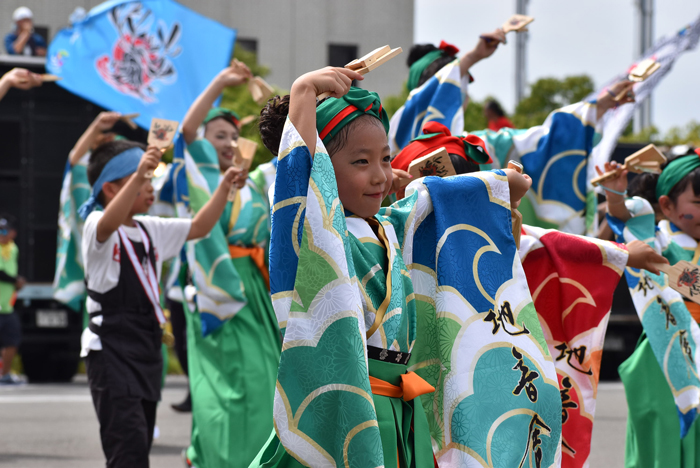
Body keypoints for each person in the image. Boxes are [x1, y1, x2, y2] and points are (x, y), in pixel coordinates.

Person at [250, 65, 575, 467]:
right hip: (344, 412)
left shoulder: (392, 226)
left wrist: (500, 186)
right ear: (319, 170)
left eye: (385, 159)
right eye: (361, 162)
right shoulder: (317, 236)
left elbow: (434, 197)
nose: (379, 176)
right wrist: (302, 91)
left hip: (400, 412)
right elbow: (297, 186)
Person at [391, 122, 667, 465]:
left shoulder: (500, 234)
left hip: (491, 384)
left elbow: (560, 246)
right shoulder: (391, 241)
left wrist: (623, 254)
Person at [79, 139, 242, 468]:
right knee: (128, 446)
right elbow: (109, 222)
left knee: (140, 441)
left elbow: (199, 227)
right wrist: (140, 170)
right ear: (111, 189)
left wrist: (224, 187)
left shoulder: (149, 228)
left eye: (150, 178)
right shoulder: (97, 226)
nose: (150, 185)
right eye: (141, 180)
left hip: (147, 345)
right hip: (111, 346)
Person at [174, 60, 281, 468]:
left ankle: (251, 458)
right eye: (219, 135)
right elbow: (186, 132)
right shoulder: (199, 177)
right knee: (224, 389)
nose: (228, 142)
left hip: (254, 291)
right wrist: (220, 79)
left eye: (234, 135)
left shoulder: (255, 184)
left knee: (262, 384)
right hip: (216, 290)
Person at [600, 149, 700, 468]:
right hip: (666, 349)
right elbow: (628, 219)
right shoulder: (658, 237)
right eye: (698, 204)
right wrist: (616, 193)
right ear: (668, 205)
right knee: (664, 436)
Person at [389, 30, 505, 155]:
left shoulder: (473, 146)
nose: (464, 96)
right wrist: (472, 56)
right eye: (451, 89)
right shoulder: (401, 121)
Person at [0, 215, 25, 385]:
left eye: (3, 231)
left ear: (13, 233)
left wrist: (17, 283)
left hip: (6, 306)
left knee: (12, 339)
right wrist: (15, 280)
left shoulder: (13, 249)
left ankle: (5, 374)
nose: (1, 234)